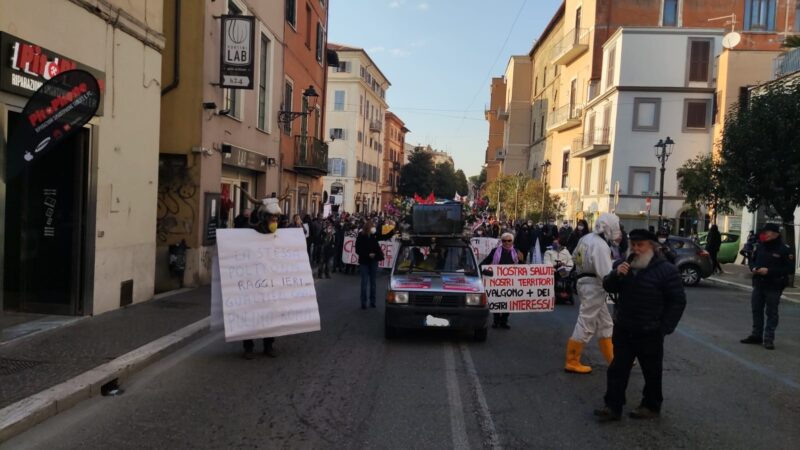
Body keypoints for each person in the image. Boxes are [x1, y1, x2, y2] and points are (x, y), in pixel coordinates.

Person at [594, 229, 686, 421]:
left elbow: (677, 300)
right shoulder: (623, 264)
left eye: (640, 245)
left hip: (650, 330)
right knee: (617, 369)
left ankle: (651, 406)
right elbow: (608, 287)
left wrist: (665, 327)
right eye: (632, 245)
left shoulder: (666, 270)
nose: (635, 249)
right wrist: (615, 275)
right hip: (625, 327)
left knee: (651, 371)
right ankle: (612, 406)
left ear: (651, 247)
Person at [564, 212, 620, 374]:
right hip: (594, 285)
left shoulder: (586, 238)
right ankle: (572, 360)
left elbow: (574, 256)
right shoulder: (601, 246)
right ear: (608, 228)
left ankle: (614, 359)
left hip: (584, 282)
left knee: (605, 323)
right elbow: (605, 274)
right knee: (586, 322)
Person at [740, 224, 794, 350]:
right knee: (756, 310)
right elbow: (752, 260)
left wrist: (769, 271)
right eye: (765, 232)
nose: (765, 234)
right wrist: (753, 268)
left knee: (771, 312)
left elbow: (789, 269)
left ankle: (768, 338)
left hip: (774, 285)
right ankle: (756, 335)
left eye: (768, 232)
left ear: (776, 233)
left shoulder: (784, 249)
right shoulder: (760, 246)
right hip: (759, 283)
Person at [242, 213, 281, 360]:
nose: (275, 222)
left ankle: (268, 345)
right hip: (253, 282)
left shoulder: (277, 234)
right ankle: (248, 347)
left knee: (269, 315)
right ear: (264, 219)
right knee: (251, 316)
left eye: (276, 220)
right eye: (272, 219)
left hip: (270, 283)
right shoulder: (251, 232)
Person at [480, 232, 524, 329]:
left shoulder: (517, 252)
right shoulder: (495, 251)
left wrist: (521, 260)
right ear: (502, 241)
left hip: (511, 281)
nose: (507, 243)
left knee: (507, 301)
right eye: (504, 241)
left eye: (509, 240)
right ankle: (496, 321)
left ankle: (504, 321)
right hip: (497, 281)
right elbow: (485, 262)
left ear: (512, 241)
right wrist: (480, 269)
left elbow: (522, 269)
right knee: (496, 300)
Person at [356, 220, 383, 309]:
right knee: (364, 282)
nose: (373, 228)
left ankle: (372, 301)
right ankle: (363, 302)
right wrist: (368, 254)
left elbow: (379, 244)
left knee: (373, 282)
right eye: (372, 226)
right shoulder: (361, 236)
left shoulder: (374, 236)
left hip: (373, 261)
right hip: (364, 261)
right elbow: (358, 250)